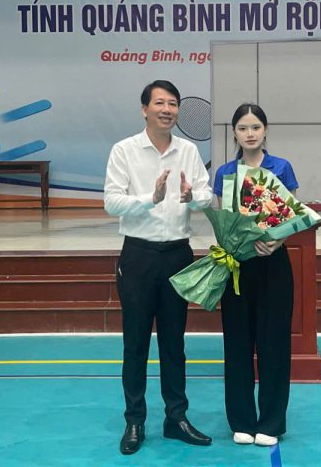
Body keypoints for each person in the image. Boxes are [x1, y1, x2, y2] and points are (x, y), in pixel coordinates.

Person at [104, 80, 213, 455]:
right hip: (138, 256)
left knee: (174, 343)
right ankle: (134, 420)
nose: (167, 110)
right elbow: (111, 202)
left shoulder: (189, 151)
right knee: (135, 343)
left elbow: (206, 194)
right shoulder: (124, 150)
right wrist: (149, 198)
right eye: (160, 103)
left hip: (178, 255)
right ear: (144, 109)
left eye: (173, 104)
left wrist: (192, 197)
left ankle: (176, 418)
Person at [213, 103, 297, 447]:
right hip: (237, 266)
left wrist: (277, 242)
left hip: (273, 265)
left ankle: (271, 422)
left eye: (256, 127)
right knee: (237, 344)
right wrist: (234, 242)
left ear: (265, 130)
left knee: (274, 344)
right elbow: (220, 220)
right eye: (243, 128)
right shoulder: (224, 172)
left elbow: (292, 215)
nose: (250, 133)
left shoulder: (281, 167)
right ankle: (242, 420)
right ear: (234, 133)